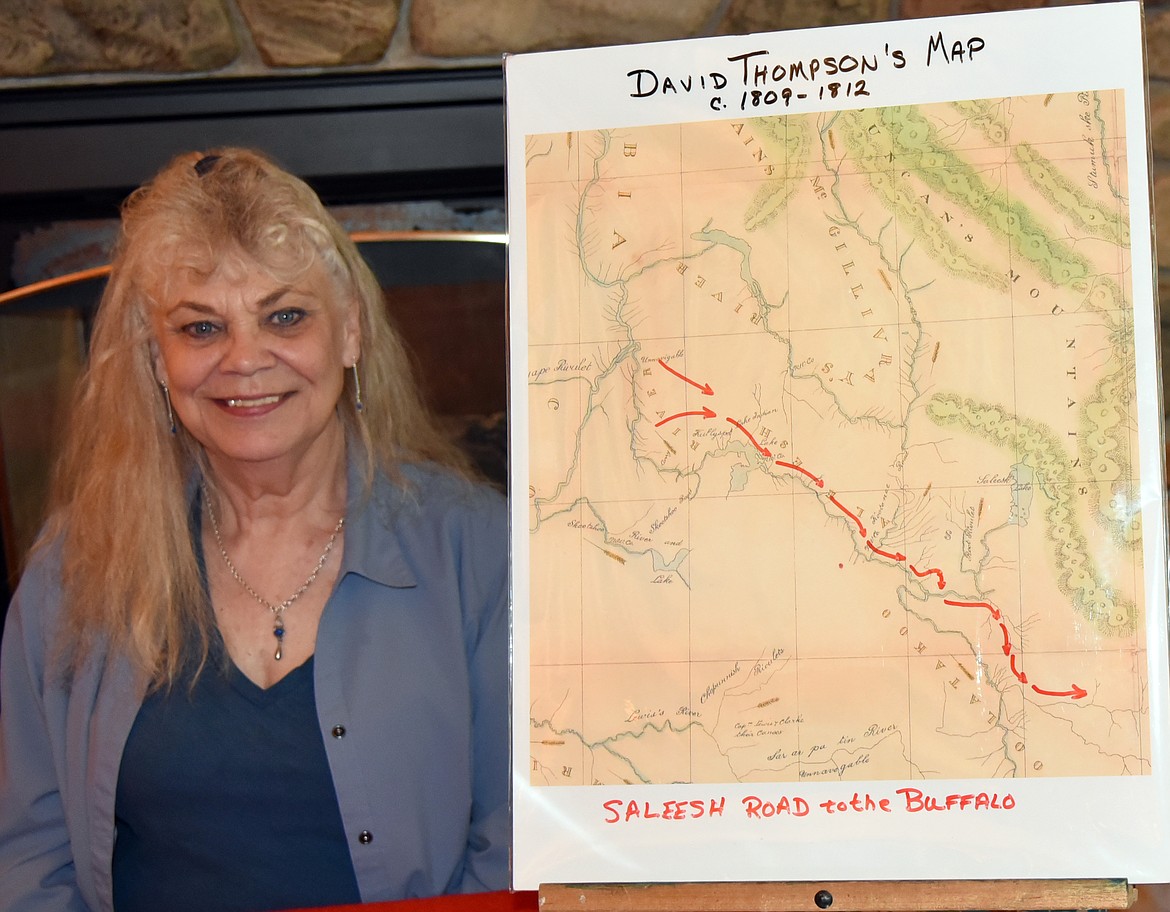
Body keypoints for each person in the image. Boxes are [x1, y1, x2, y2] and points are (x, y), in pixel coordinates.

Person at [0, 148, 511, 911]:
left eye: (285, 316)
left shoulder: (481, 550)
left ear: (349, 333)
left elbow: (515, 844)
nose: (244, 359)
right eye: (200, 328)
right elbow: (30, 855)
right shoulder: (74, 564)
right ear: (155, 359)